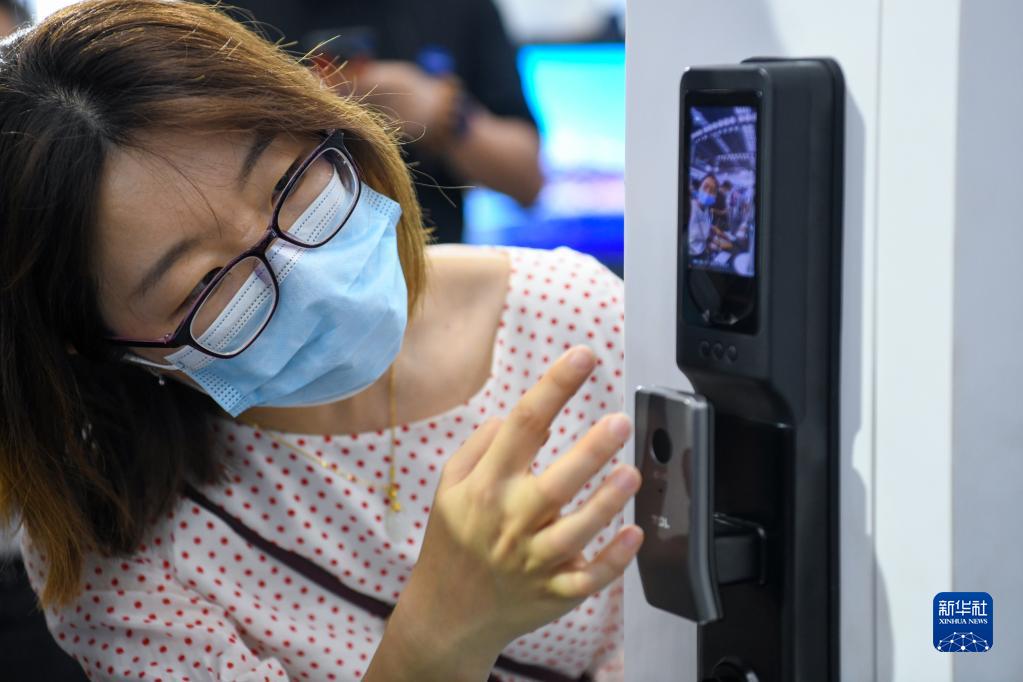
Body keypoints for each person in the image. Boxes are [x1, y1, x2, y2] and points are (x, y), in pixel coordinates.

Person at [0, 1, 638, 681]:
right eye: (207, 283)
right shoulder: (115, 545)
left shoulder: (573, 315)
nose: (306, 276)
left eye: (288, 183)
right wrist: (439, 636)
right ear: (90, 343)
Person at [213, 0, 544, 245]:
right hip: (269, 277)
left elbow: (528, 181)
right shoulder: (221, 12)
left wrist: (442, 111)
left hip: (427, 274)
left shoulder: (461, 9)